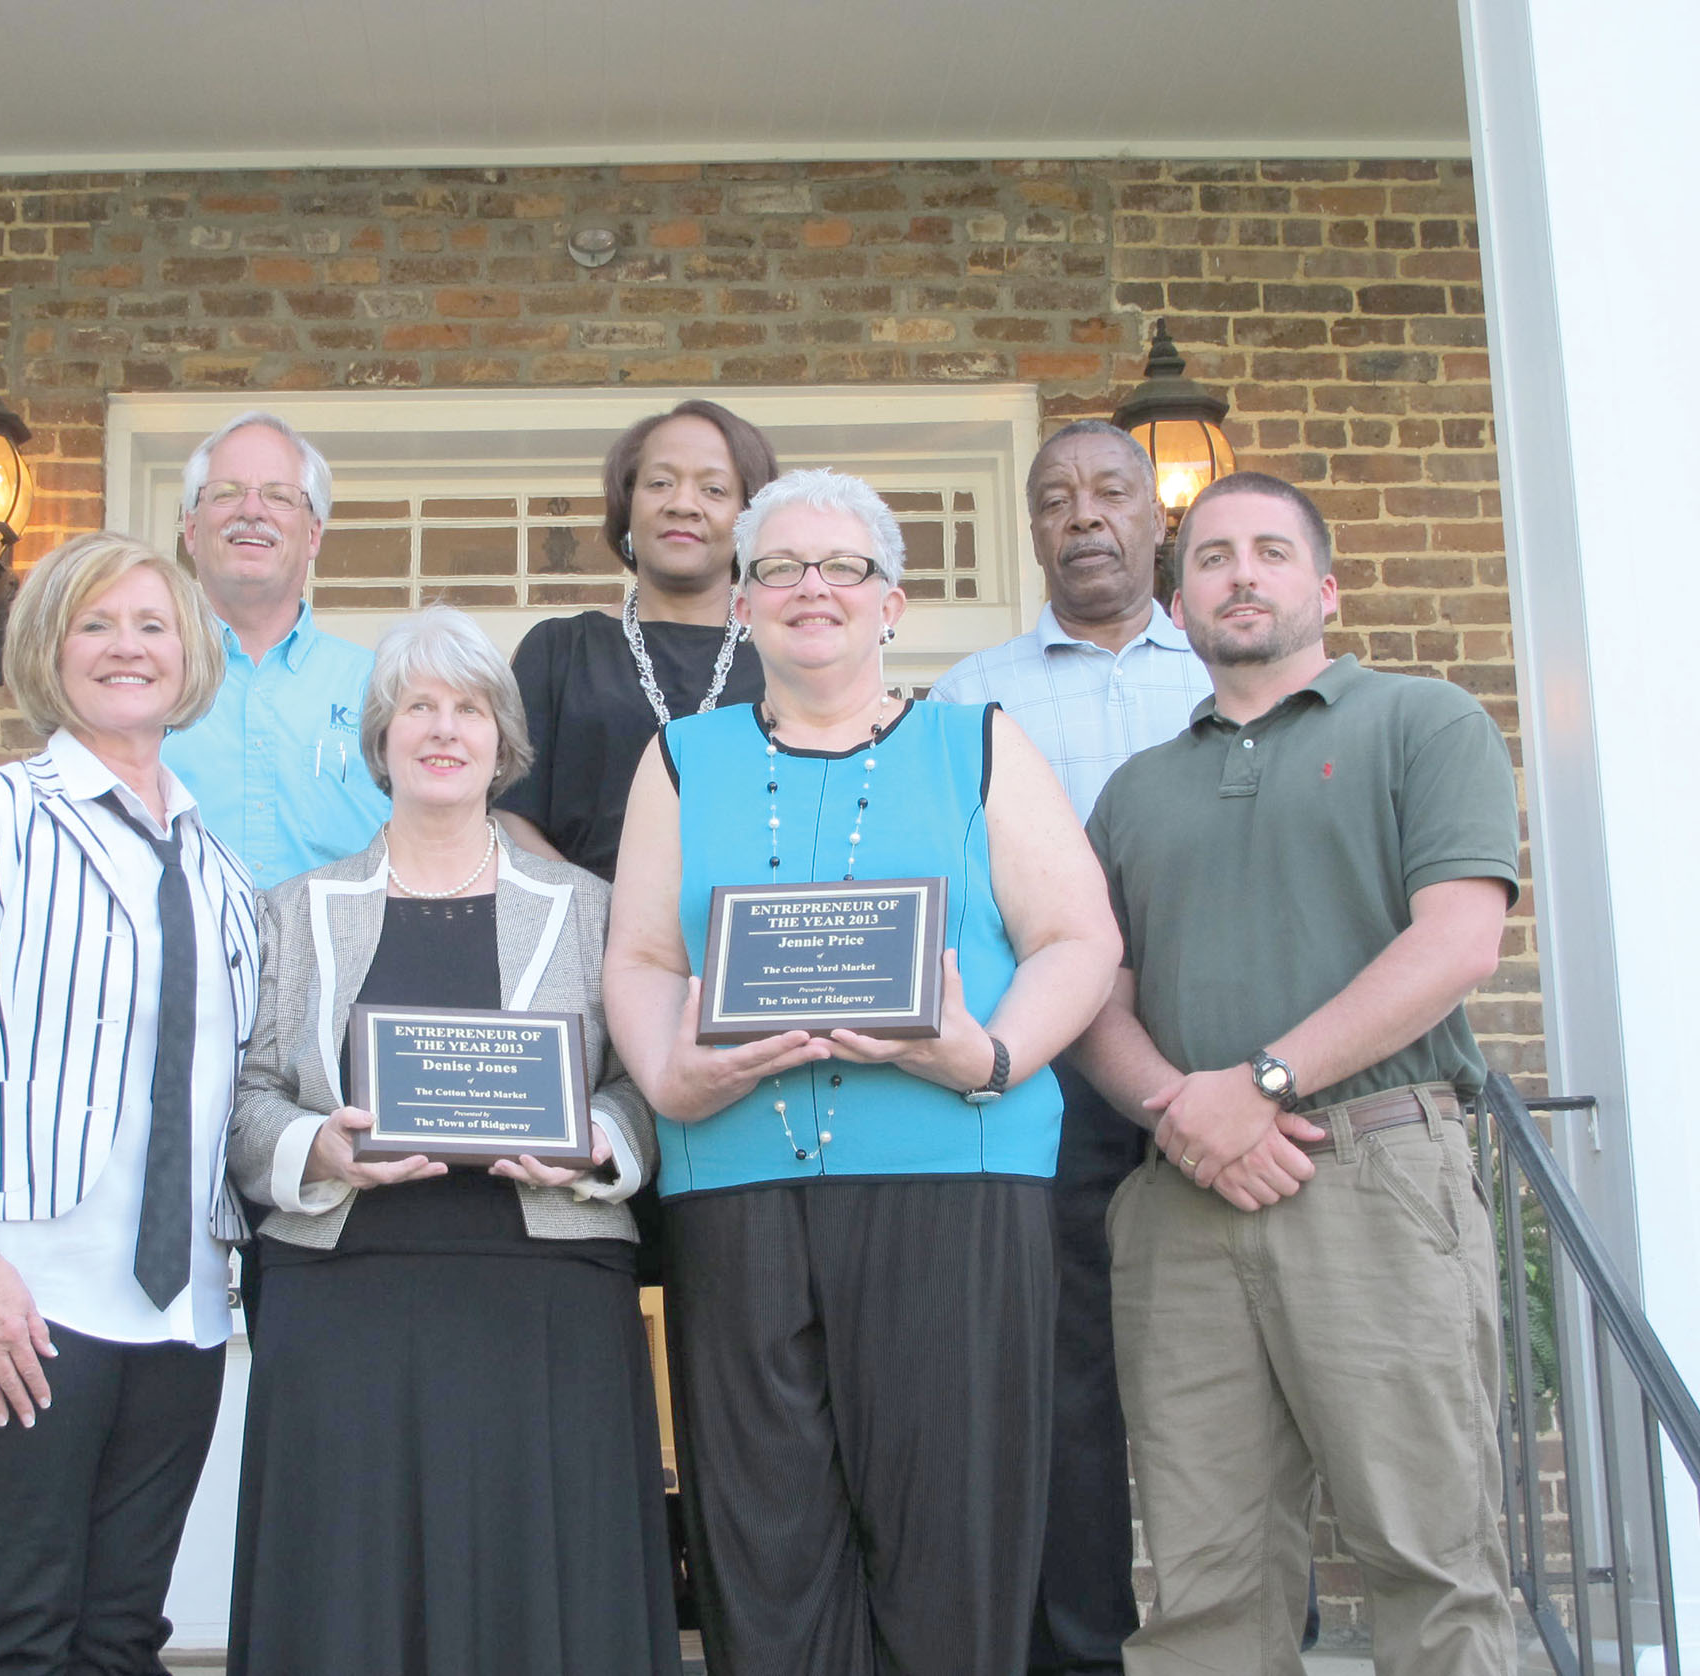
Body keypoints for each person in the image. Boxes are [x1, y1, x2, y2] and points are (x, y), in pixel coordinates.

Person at [605, 468, 1122, 1676]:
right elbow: (639, 955)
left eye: (842, 567)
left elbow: (1078, 938)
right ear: (741, 605)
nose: (811, 589)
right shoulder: (679, 758)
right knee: (763, 1546)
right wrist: (670, 1077)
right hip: (733, 1184)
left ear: (891, 602)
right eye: (778, 568)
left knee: (949, 1539)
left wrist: (987, 1054)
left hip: (956, 1182)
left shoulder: (976, 743)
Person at [1075, 471, 1520, 1675]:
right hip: (1183, 1194)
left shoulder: (1422, 721)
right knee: (1201, 1583)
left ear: (1323, 590)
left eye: (1269, 551)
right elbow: (1094, 997)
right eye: (1210, 556)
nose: (1239, 573)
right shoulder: (1133, 790)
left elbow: (1456, 941)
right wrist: (1187, 1113)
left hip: (1374, 1171)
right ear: (1177, 603)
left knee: (1428, 1554)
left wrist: (1258, 1083)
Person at [224, 606, 678, 1676]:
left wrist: (597, 1139)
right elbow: (243, 1096)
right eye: (417, 706)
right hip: (345, 1293)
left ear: (501, 740)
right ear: (380, 738)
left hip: (547, 1295)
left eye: (469, 708)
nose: (443, 728)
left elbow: (647, 1080)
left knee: (542, 1590)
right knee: (349, 1592)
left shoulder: (591, 909)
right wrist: (313, 1147)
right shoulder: (293, 911)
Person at [0, 532, 260, 1675]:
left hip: (180, 1312)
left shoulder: (220, 871)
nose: (127, 647)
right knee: (17, 1630)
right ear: (49, 646)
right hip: (20, 1280)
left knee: (121, 1635)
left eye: (152, 625)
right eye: (96, 623)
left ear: (190, 655)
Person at [931, 420, 1213, 1676]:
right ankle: (1081, 1647)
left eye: (1109, 491)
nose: (1082, 514)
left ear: (1155, 517)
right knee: (1066, 1376)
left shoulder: (1226, 674)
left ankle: (1248, 1636)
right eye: (1053, 497)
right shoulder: (967, 698)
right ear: (1031, 527)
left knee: (1233, 1361)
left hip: (1216, 1067)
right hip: (1046, 1078)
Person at [497, 398, 776, 882]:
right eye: (660, 483)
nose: (682, 504)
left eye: (713, 489)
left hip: (750, 924)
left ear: (748, 518)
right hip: (582, 922)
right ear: (627, 508)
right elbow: (506, 814)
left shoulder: (784, 657)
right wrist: (605, 911)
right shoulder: (558, 650)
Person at [160, 409, 392, 888]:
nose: (251, 510)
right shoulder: (143, 681)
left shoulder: (381, 690)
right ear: (191, 529)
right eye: (226, 492)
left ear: (313, 534)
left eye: (279, 496)